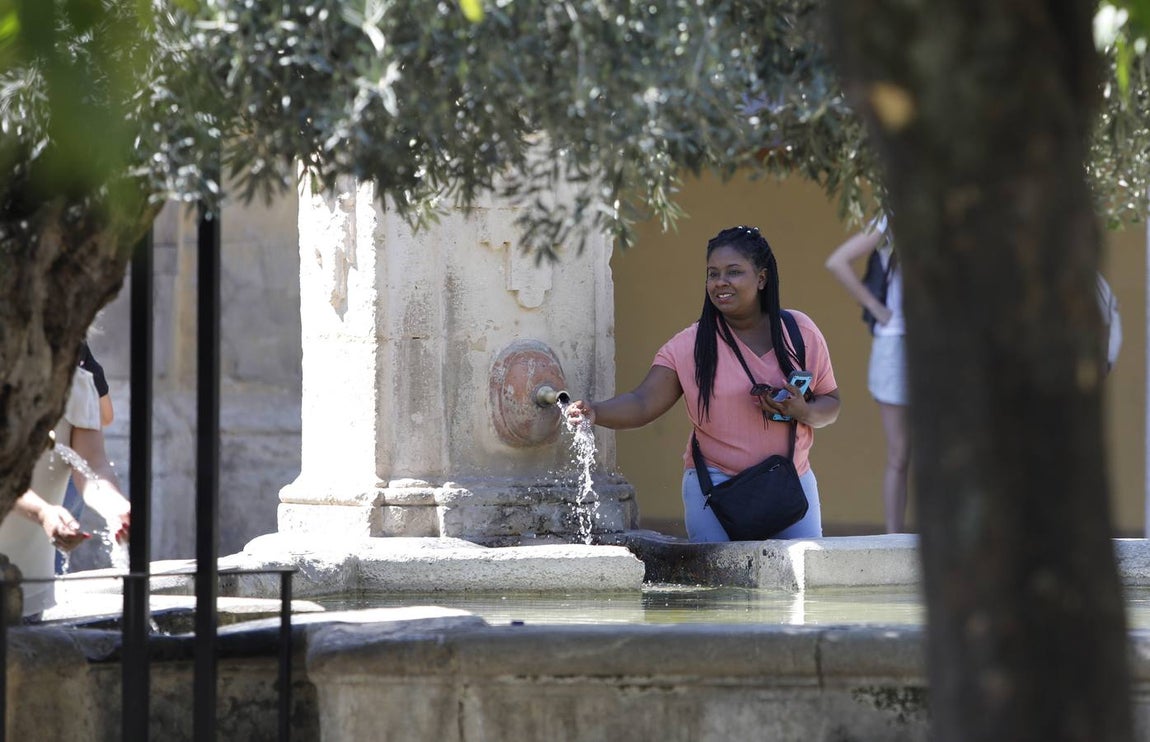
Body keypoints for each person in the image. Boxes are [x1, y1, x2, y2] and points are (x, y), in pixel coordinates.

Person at [565, 225, 841, 542]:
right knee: (718, 589)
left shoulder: (800, 332)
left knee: (801, 587)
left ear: (761, 278)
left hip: (791, 483)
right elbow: (643, 402)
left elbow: (830, 404)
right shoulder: (690, 345)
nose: (720, 282)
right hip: (715, 488)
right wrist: (595, 413)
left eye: (734, 272)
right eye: (713, 274)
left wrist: (802, 410)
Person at [0, 349, 131, 621]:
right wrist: (42, 512)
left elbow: (92, 463)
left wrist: (116, 506)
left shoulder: (75, 371)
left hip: (27, 590)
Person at [824, 214, 909, 533]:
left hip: (940, 344)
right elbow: (837, 261)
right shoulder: (890, 218)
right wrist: (878, 309)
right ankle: (894, 538)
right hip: (895, 344)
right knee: (899, 453)